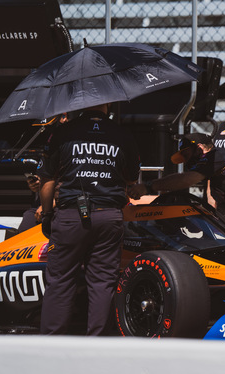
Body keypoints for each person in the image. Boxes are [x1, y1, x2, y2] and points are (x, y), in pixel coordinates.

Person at [37, 103, 141, 335]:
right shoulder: (122, 134)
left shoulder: (63, 132)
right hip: (109, 216)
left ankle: (51, 346)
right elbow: (132, 178)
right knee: (103, 283)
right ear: (108, 103)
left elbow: (46, 181)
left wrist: (46, 215)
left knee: (60, 282)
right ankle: (98, 347)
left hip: (70, 216)